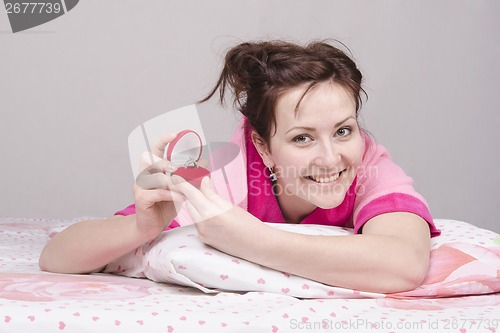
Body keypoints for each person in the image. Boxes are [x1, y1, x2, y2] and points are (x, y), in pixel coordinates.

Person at [39, 40, 440, 294]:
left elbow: (403, 266)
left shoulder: (370, 164)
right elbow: (56, 259)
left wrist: (248, 239)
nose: (331, 158)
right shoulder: (227, 178)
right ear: (262, 147)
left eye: (343, 130)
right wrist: (142, 227)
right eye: (302, 137)